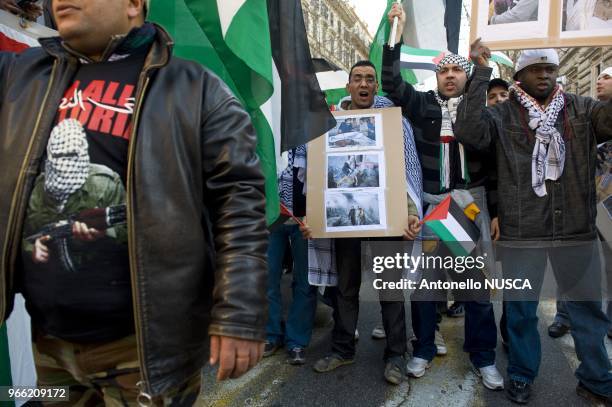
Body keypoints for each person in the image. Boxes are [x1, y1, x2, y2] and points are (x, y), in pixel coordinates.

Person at [0, 0, 268, 405]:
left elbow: (239, 205)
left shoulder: (197, 89)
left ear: (133, 4)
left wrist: (239, 315)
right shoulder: (22, 76)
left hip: (144, 354)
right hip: (50, 345)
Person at [455, 44, 612, 405]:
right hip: (522, 235)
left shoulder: (582, 108)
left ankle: (596, 379)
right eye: (536, 69)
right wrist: (480, 72)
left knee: (588, 310)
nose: (545, 75)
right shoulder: (501, 114)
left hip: (576, 231)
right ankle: (522, 374)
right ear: (519, 76)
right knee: (522, 311)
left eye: (551, 69)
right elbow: (468, 130)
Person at [384, 3, 503, 392]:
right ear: (436, 77)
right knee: (425, 284)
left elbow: (497, 167)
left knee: (475, 286)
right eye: (443, 71)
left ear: (466, 76)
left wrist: (497, 212)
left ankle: (484, 357)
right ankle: (421, 348)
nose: (449, 76)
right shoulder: (420, 105)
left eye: (456, 70)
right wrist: (395, 36)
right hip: (433, 203)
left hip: (469, 205)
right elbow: (392, 84)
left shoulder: (482, 113)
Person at [302, 60, 423, 387]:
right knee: (345, 288)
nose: (364, 83)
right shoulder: (329, 124)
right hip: (347, 222)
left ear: (376, 87)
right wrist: (312, 217)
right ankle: (342, 349)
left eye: (370, 78)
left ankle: (395, 355)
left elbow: (406, 172)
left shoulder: (395, 124)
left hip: (388, 220)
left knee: (391, 290)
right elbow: (318, 175)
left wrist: (410, 212)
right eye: (358, 78)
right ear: (349, 87)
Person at [264, 145, 317, 366]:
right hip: (268, 215)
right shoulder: (265, 121)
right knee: (265, 277)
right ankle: (270, 333)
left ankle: (297, 339)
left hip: (305, 217)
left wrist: (316, 211)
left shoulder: (313, 128)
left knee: (305, 279)